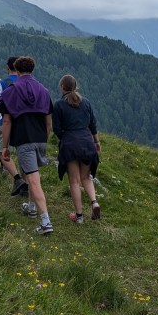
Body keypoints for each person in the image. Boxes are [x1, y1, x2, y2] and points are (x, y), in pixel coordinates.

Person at [0, 56, 55, 235]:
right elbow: (48, 122)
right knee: (28, 172)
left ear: (16, 70)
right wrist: (44, 139)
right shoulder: (43, 91)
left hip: (24, 139)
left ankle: (46, 222)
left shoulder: (11, 91)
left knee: (33, 179)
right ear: (32, 69)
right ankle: (31, 207)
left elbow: (7, 121)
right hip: (40, 138)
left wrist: (5, 146)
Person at [52, 74, 102, 223]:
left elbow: (56, 129)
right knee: (86, 177)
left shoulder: (59, 105)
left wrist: (65, 138)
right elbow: (92, 124)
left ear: (62, 87)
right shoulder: (86, 103)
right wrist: (96, 141)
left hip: (70, 145)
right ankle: (94, 202)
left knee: (74, 181)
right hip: (87, 142)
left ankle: (79, 216)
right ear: (75, 86)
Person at [0, 57, 26, 195]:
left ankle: (17, 179)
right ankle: (27, 182)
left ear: (8, 67)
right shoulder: (26, 82)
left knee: (2, 152)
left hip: (6, 122)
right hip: (24, 123)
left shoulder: (2, 83)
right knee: (23, 154)